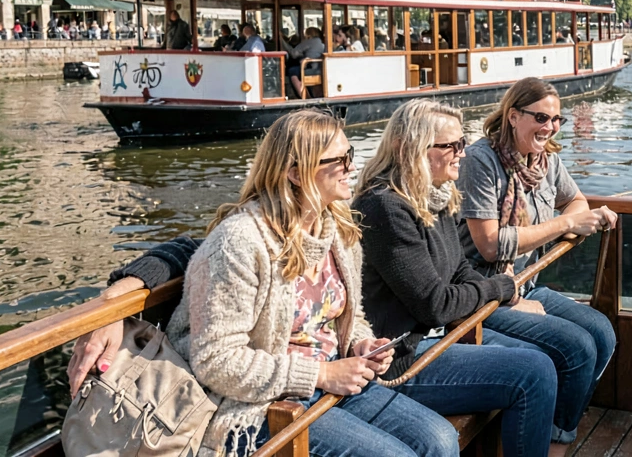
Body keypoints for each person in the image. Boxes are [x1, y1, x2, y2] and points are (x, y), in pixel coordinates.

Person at [173, 110, 454, 456]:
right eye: (340, 159)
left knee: (440, 439)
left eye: (350, 154)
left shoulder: (335, 227)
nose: (352, 166)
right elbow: (216, 361)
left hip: (334, 384)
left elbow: (348, 317)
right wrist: (320, 375)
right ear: (295, 172)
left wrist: (361, 344)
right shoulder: (239, 243)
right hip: (265, 406)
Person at [353, 100, 559, 455]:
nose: (461, 154)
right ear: (410, 148)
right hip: (403, 361)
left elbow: (460, 270)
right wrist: (503, 287)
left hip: (443, 338)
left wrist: (502, 293)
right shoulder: (385, 206)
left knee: (544, 357)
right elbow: (436, 305)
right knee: (534, 372)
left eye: (462, 143)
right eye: (451, 146)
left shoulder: (436, 195)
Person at [457, 77, 618, 451]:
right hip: (486, 291)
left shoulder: (546, 162)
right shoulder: (481, 162)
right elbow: (491, 245)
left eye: (557, 119)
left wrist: (574, 217)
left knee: (602, 333)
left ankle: (558, 429)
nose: (551, 127)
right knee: (577, 346)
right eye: (541, 118)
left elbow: (576, 202)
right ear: (513, 116)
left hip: (526, 283)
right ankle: (557, 440)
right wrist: (564, 224)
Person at [283, 26, 326, 98]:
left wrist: (283, 42)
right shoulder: (321, 43)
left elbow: (294, 53)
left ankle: (303, 96)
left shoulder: (310, 41)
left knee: (292, 71)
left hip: (310, 67)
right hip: (319, 67)